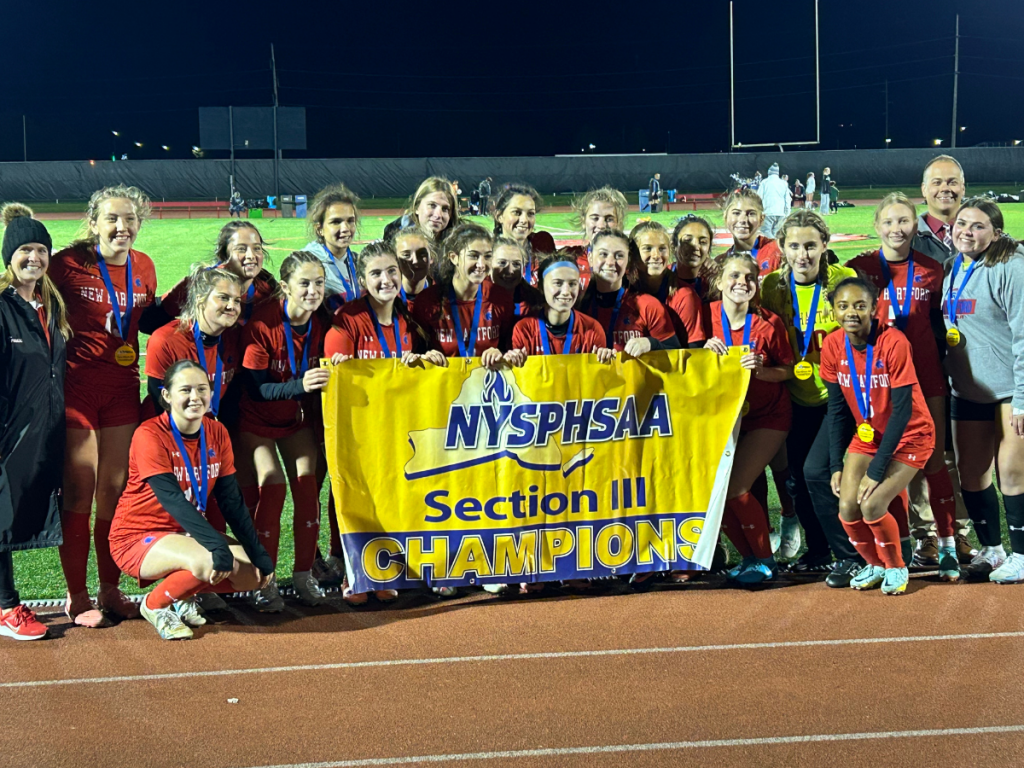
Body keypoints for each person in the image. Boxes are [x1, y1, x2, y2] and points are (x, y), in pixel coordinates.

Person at [49, 185, 158, 628]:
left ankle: (109, 589)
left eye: (130, 218)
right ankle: (77, 596)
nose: (122, 227)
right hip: (76, 389)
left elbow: (145, 317)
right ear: (93, 223)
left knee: (113, 492)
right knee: (79, 488)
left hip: (121, 389)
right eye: (112, 218)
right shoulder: (67, 264)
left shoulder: (145, 265)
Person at [109, 360, 275, 640]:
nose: (195, 397)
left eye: (202, 389)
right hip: (138, 536)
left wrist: (256, 549)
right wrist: (215, 546)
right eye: (185, 390)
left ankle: (182, 594)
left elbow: (231, 500)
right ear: (167, 396)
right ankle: (154, 605)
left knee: (254, 575)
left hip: (184, 533)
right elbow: (172, 500)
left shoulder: (217, 431)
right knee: (211, 561)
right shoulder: (149, 434)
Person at [846, 194, 961, 580]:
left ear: (915, 225)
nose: (897, 229)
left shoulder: (932, 269)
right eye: (889, 222)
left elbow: (941, 323)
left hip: (925, 377)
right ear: (876, 226)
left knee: (934, 461)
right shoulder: (859, 268)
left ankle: (948, 541)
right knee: (889, 459)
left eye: (904, 222)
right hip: (876, 382)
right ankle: (911, 542)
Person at [325, 242, 445, 603]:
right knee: (351, 494)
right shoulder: (347, 319)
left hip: (394, 427)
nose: (386, 279)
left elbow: (420, 364)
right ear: (362, 279)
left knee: (391, 495)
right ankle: (352, 572)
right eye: (376, 273)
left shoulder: (408, 319)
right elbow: (337, 372)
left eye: (391, 271)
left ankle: (385, 568)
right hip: (356, 429)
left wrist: (427, 360)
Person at [760, 209, 862, 585]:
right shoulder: (772, 287)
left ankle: (849, 553)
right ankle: (818, 551)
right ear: (782, 248)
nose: (802, 254)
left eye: (810, 245)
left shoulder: (843, 281)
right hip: (794, 396)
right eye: (794, 246)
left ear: (825, 245)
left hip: (836, 399)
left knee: (822, 474)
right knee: (797, 481)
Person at [822, 277, 935, 596]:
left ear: (874, 308)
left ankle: (897, 566)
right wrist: (835, 464)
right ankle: (875, 563)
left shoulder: (894, 342)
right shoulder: (832, 346)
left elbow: (901, 411)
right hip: (868, 436)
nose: (851, 313)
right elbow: (837, 409)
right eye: (843, 306)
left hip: (910, 436)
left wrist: (875, 470)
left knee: (871, 505)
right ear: (834, 312)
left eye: (860, 305)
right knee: (846, 506)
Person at [239, 251, 331, 610]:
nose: (312, 291)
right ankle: (265, 580)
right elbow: (256, 389)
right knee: (272, 485)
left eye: (319, 283)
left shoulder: (322, 320)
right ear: (285, 286)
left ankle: (303, 575)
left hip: (295, 419)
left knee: (308, 487)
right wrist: (300, 385)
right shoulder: (262, 324)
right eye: (304, 283)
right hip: (257, 420)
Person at [942, 198, 1024, 582]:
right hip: (967, 390)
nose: (967, 232)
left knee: (1012, 474)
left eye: (977, 226)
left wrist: (1023, 399)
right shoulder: (953, 267)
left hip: (1010, 391)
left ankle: (1022, 555)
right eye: (962, 224)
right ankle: (993, 550)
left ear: (996, 232)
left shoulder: (1011, 266)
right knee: (971, 473)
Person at [703, 253, 795, 584]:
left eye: (749, 278)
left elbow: (787, 371)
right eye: (733, 276)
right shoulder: (705, 318)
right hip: (724, 419)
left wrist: (762, 371)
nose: (741, 282)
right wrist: (702, 351)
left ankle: (765, 560)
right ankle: (748, 559)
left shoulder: (768, 323)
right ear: (719, 281)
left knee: (738, 487)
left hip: (767, 417)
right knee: (717, 491)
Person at [0, 205, 69, 640]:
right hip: (8, 431)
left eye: (41, 250)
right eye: (25, 249)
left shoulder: (49, 305)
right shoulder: (3, 307)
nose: (34, 258)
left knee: (19, 511)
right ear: (9, 256)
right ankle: (6, 606)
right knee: (1, 515)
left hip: (43, 430)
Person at [140, 220, 275, 334]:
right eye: (241, 249)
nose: (251, 256)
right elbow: (148, 322)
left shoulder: (269, 290)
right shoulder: (201, 284)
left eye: (257, 248)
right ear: (224, 255)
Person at [411, 223, 515, 368]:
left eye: (487, 256)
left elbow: (510, 350)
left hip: (486, 386)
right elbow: (416, 352)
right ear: (454, 258)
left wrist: (501, 354)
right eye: (473, 256)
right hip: (444, 385)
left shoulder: (500, 298)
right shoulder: (428, 301)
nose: (481, 264)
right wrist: (425, 356)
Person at [578, 229, 679, 354]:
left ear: (628, 261)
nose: (610, 262)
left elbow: (677, 355)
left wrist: (651, 343)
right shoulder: (578, 306)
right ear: (590, 258)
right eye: (603, 254)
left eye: (619, 256)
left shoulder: (648, 305)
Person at [628, 220, 704, 347]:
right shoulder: (624, 288)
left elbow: (695, 352)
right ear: (633, 254)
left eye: (662, 248)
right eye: (647, 248)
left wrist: (654, 345)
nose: (656, 255)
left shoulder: (684, 296)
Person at [302, 183, 363, 312]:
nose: (345, 228)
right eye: (336, 222)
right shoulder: (306, 264)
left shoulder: (359, 263)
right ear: (320, 230)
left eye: (350, 221)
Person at [491, 183, 556, 284]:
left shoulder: (542, 244)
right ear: (499, 216)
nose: (524, 220)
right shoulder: (488, 252)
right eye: (516, 212)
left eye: (530, 214)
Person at [567, 187, 629, 291]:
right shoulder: (570, 258)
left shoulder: (630, 259)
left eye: (609, 219)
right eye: (595, 218)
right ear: (583, 222)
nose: (601, 225)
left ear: (619, 223)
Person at [722, 188, 783, 280]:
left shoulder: (777, 251)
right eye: (736, 213)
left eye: (751, 214)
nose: (743, 220)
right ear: (726, 217)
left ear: (761, 219)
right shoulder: (720, 262)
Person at [382, 177, 461, 243]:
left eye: (445, 209)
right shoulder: (394, 242)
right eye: (432, 205)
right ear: (416, 208)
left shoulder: (462, 244)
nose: (438, 215)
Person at [490, 236, 542, 317]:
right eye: (502, 263)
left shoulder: (534, 302)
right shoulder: (474, 298)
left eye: (516, 264)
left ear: (523, 268)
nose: (510, 271)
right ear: (489, 264)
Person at [671, 214, 716, 302]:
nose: (695, 246)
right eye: (687, 240)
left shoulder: (715, 282)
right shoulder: (661, 277)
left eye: (703, 242)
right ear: (674, 246)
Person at [389, 225, 435, 310]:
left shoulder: (441, 296)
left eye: (422, 254)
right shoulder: (386, 297)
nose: (415, 261)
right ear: (395, 259)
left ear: (431, 257)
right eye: (406, 255)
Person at [756, 164, 789, 239]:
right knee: (776, 232)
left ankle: (774, 244)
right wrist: (787, 212)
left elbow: (759, 197)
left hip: (768, 212)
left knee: (765, 230)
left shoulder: (764, 182)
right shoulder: (784, 183)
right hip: (781, 212)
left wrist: (758, 210)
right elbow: (787, 199)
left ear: (769, 172)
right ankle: (776, 247)